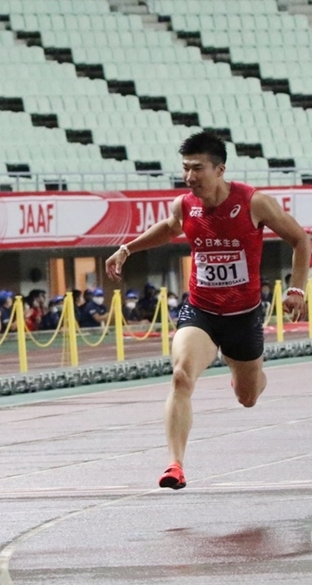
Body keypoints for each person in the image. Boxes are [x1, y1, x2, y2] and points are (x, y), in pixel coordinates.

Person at [105, 131, 310, 491]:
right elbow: (170, 229)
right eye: (185, 169)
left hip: (243, 316)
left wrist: (296, 289)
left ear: (219, 169)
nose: (190, 177)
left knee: (248, 397)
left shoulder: (254, 203)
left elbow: (300, 239)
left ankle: (247, 375)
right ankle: (175, 465)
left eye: (197, 169)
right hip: (200, 310)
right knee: (181, 377)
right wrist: (127, 249)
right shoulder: (184, 205)